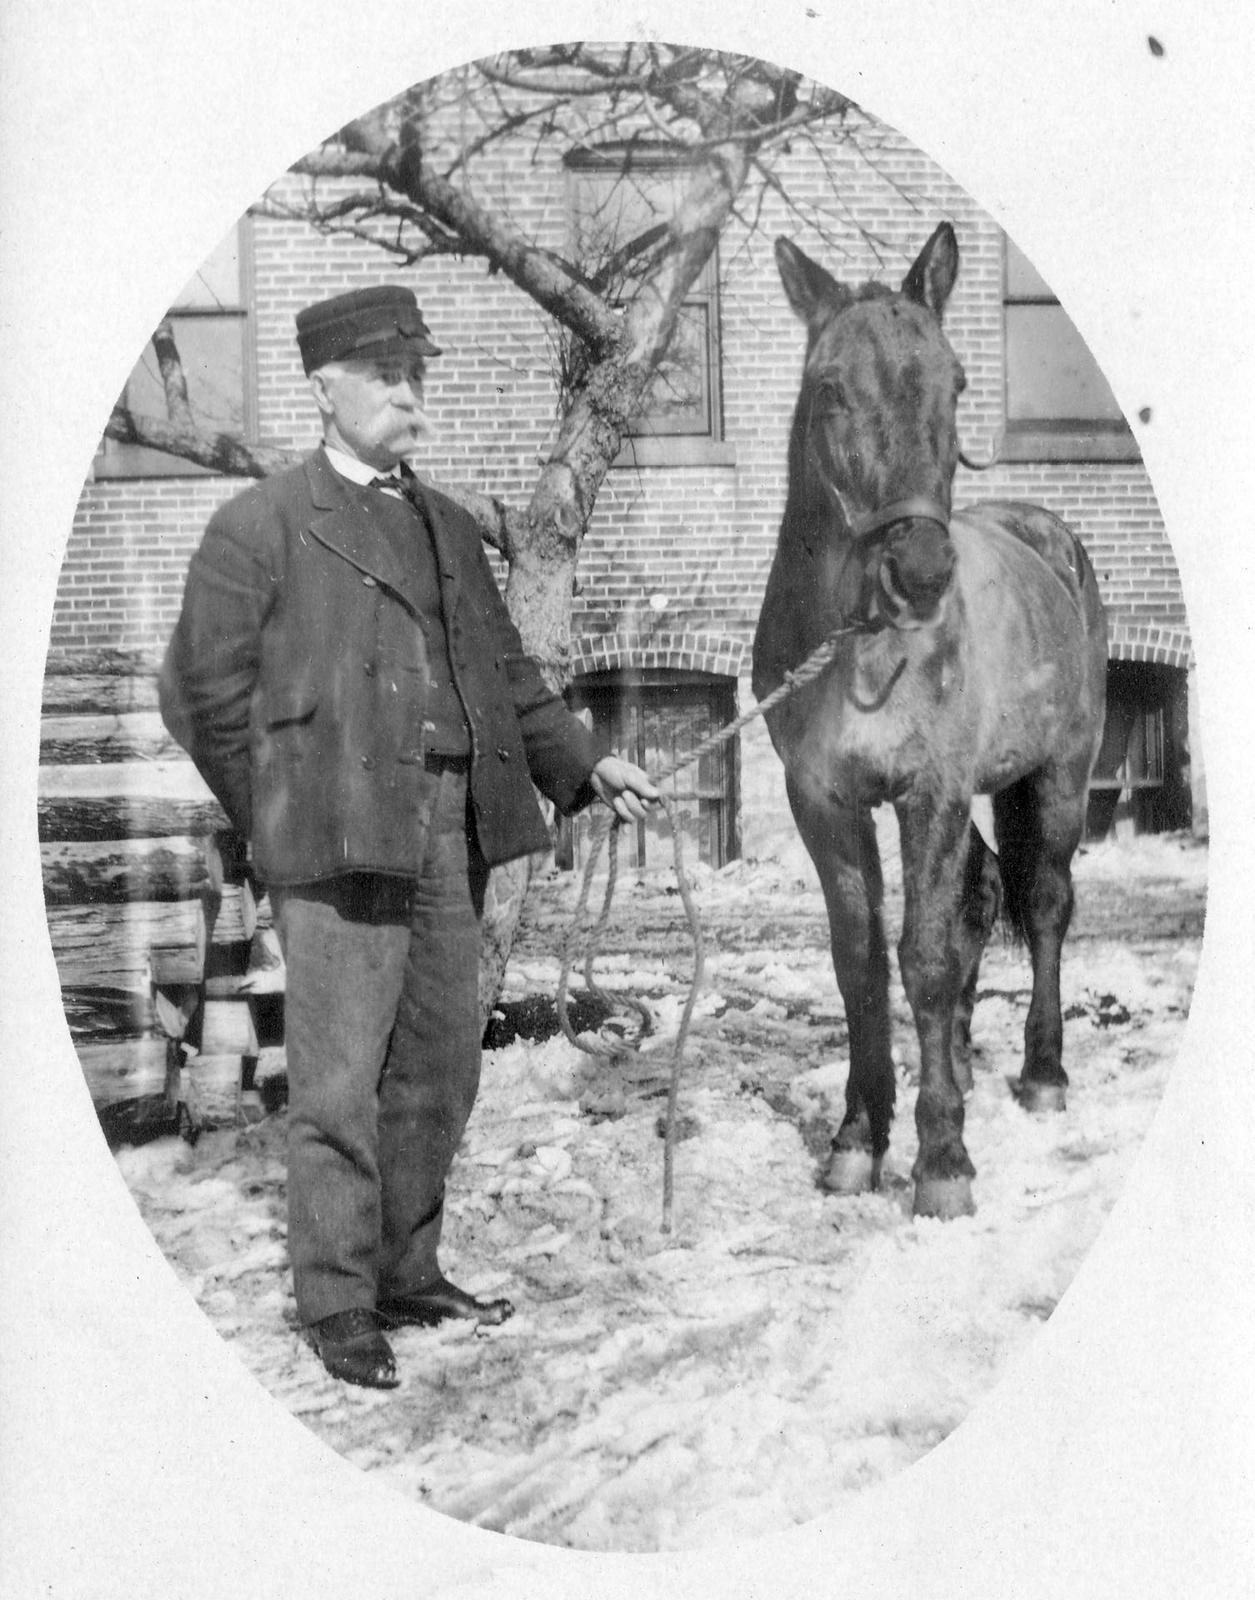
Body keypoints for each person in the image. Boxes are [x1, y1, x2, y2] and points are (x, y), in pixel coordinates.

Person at [160, 285, 658, 1390]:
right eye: (382, 371)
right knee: (338, 1081)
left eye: (415, 371)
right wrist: (280, 809)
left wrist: (580, 761)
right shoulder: (262, 525)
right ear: (322, 386)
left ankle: (405, 1266)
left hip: (451, 827)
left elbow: (504, 674)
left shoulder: (443, 525)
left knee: (439, 1064)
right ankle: (336, 1299)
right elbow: (198, 695)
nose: (405, 390)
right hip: (335, 842)